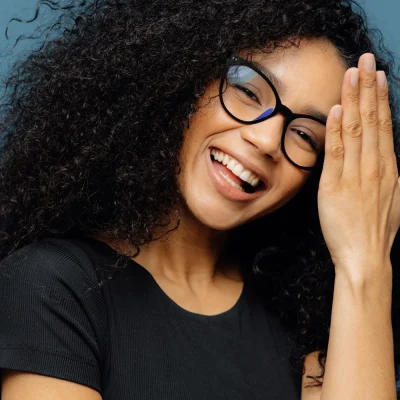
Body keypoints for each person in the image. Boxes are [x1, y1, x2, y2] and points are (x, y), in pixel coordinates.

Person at [0, 0, 399, 398]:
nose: (265, 141)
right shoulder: (51, 287)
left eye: (306, 136)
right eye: (247, 91)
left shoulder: (303, 322)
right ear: (183, 77)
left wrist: (364, 261)